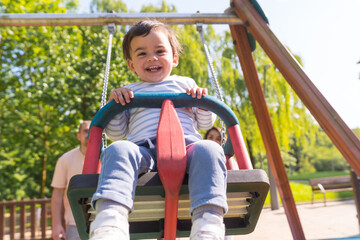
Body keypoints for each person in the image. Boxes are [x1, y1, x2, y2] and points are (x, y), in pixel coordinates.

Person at [89, 20, 228, 240]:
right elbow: (116, 133)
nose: (152, 58)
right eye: (142, 53)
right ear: (131, 65)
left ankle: (207, 223)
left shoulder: (185, 84)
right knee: (118, 149)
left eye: (160, 51)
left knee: (210, 149)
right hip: (142, 150)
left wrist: (201, 102)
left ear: (174, 58)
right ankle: (110, 222)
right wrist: (113, 105)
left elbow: (204, 124)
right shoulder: (129, 92)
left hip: (188, 147)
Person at [51, 120, 91, 240]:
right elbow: (57, 194)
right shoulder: (65, 159)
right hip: (75, 223)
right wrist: (56, 224)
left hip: (104, 222)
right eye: (85, 131)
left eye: (92, 131)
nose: (89, 134)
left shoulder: (107, 157)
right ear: (78, 136)